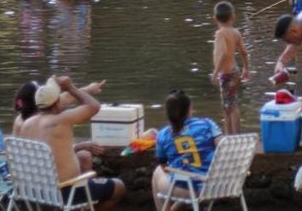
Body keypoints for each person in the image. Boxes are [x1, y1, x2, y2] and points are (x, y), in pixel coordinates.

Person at [19, 76, 126, 210]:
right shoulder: (61, 120)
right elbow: (94, 106)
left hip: (34, 192)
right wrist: (71, 87)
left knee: (83, 159)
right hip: (64, 192)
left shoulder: (27, 124)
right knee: (119, 187)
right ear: (58, 103)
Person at [151, 91, 223, 211]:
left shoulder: (164, 134)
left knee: (158, 173)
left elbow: (164, 166)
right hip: (214, 185)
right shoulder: (208, 124)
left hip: (191, 189)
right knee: (188, 175)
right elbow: (223, 149)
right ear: (190, 108)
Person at [12, 80, 105, 173]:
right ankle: (84, 185)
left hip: (33, 170)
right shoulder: (30, 123)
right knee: (84, 155)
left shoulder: (28, 119)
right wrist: (79, 146)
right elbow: (51, 153)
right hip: (44, 169)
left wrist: (90, 88)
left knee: (83, 155)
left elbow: (66, 97)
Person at [210, 1, 250, 135]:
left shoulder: (220, 33)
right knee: (231, 104)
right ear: (233, 17)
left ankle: (231, 136)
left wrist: (215, 73)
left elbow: (225, 53)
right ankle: (232, 135)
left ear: (215, 18)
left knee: (229, 107)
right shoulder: (236, 32)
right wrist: (246, 69)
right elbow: (244, 52)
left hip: (226, 74)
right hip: (235, 71)